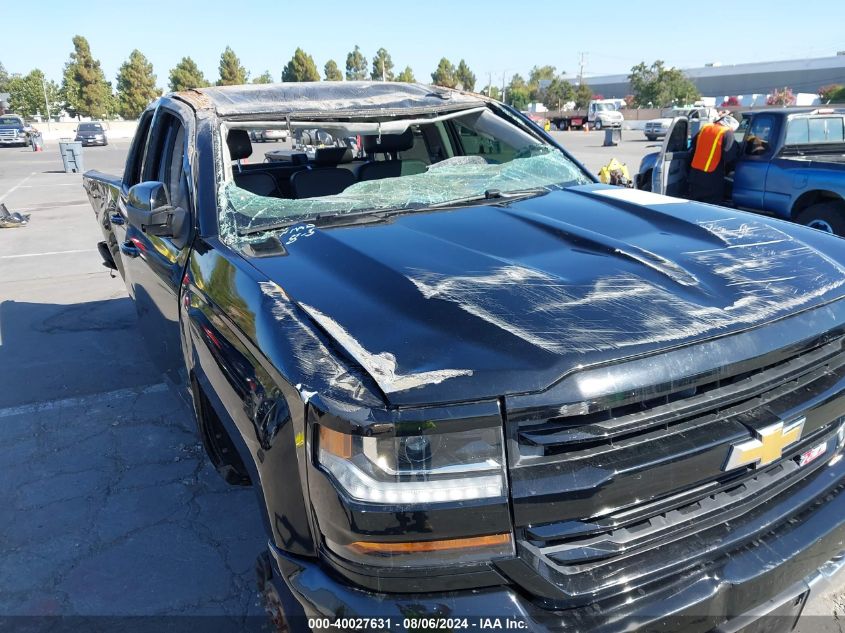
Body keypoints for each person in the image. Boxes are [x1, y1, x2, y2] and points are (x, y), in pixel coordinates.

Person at [687, 112, 740, 204]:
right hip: (712, 177)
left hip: (695, 174)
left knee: (694, 205)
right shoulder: (727, 133)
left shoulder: (705, 127)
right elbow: (729, 157)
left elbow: (693, 147)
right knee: (711, 208)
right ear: (735, 124)